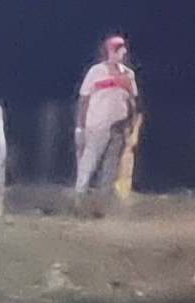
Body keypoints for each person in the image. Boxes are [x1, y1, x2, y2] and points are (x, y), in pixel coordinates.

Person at [74, 35, 143, 198]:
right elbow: (84, 100)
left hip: (119, 125)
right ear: (109, 51)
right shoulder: (96, 71)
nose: (122, 53)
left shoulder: (128, 74)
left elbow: (133, 101)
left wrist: (132, 126)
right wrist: (80, 127)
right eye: (117, 50)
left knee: (112, 163)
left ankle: (104, 198)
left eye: (123, 49)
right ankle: (79, 195)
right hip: (97, 125)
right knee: (90, 161)